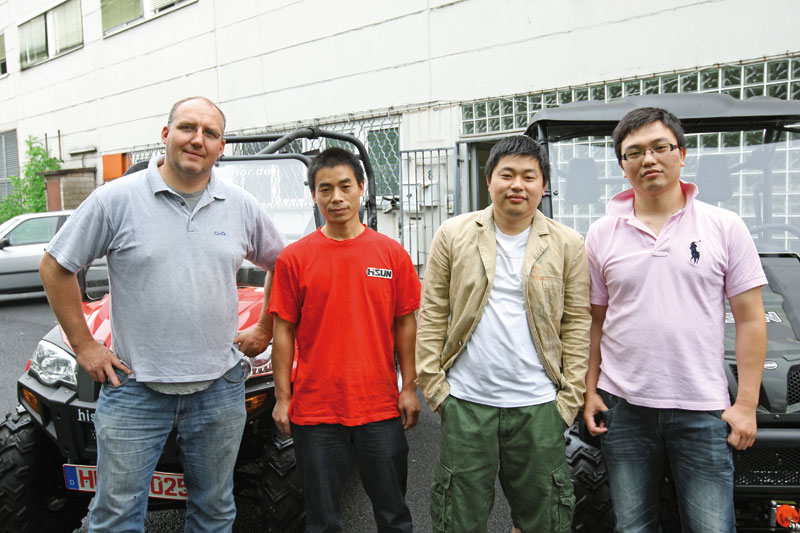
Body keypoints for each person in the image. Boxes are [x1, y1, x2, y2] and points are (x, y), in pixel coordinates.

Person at [39, 96, 285, 533]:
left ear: (221, 146)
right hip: (135, 389)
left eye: (210, 133)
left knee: (214, 512)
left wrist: (265, 325)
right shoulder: (116, 199)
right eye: (188, 127)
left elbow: (284, 266)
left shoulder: (241, 205)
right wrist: (84, 346)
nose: (198, 139)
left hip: (219, 389)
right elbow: (56, 266)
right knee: (115, 517)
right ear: (166, 134)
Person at [583, 107, 767, 532]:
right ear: (623, 166)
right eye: (634, 152)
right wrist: (590, 391)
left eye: (659, 147)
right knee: (632, 526)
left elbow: (751, 319)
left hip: (702, 409)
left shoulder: (724, 226)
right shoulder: (601, 233)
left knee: (711, 527)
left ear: (681, 154)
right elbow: (596, 321)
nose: (648, 159)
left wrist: (745, 405)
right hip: (623, 407)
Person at [416, 135, 591, 533]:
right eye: (507, 174)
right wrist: (435, 389)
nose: (517, 185)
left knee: (544, 519)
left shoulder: (567, 243)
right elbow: (433, 312)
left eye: (529, 176)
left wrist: (568, 401)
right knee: (458, 518)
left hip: (539, 406)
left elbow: (577, 323)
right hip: (466, 402)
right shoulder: (453, 234)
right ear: (489, 180)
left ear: (543, 185)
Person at [269, 147, 421, 533]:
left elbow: (406, 323)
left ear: (361, 188)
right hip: (315, 410)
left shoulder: (391, 254)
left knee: (394, 515)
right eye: (325, 189)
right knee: (321, 521)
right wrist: (283, 398)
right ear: (313, 195)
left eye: (345, 186)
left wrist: (409, 388)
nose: (336, 197)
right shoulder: (294, 259)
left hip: (380, 406)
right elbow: (282, 330)